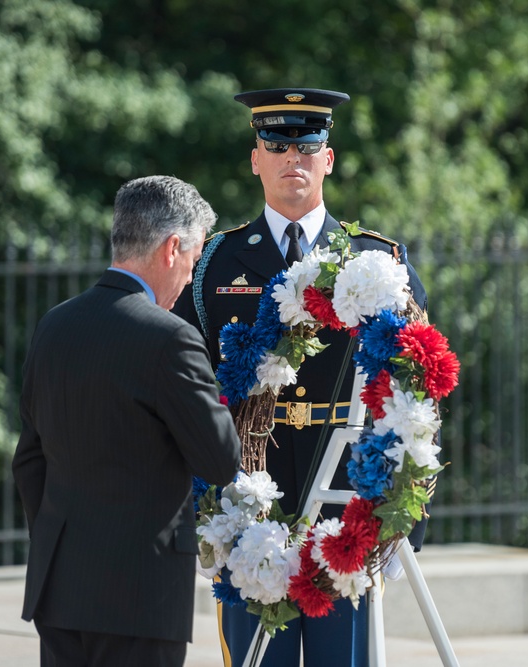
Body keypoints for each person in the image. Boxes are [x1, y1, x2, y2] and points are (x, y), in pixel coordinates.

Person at [172, 89, 430, 667]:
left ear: (329, 158)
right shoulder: (215, 262)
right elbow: (185, 385)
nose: (294, 156)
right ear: (255, 158)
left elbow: (419, 391)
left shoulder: (376, 260)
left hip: (348, 505)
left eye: (308, 143)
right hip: (245, 509)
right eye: (278, 143)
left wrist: (403, 511)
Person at [13, 175, 243, 667]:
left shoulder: (54, 325)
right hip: (141, 595)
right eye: (194, 259)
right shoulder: (170, 339)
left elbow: (29, 461)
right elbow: (220, 459)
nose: (189, 276)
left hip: (59, 590)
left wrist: (61, 543)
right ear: (172, 248)